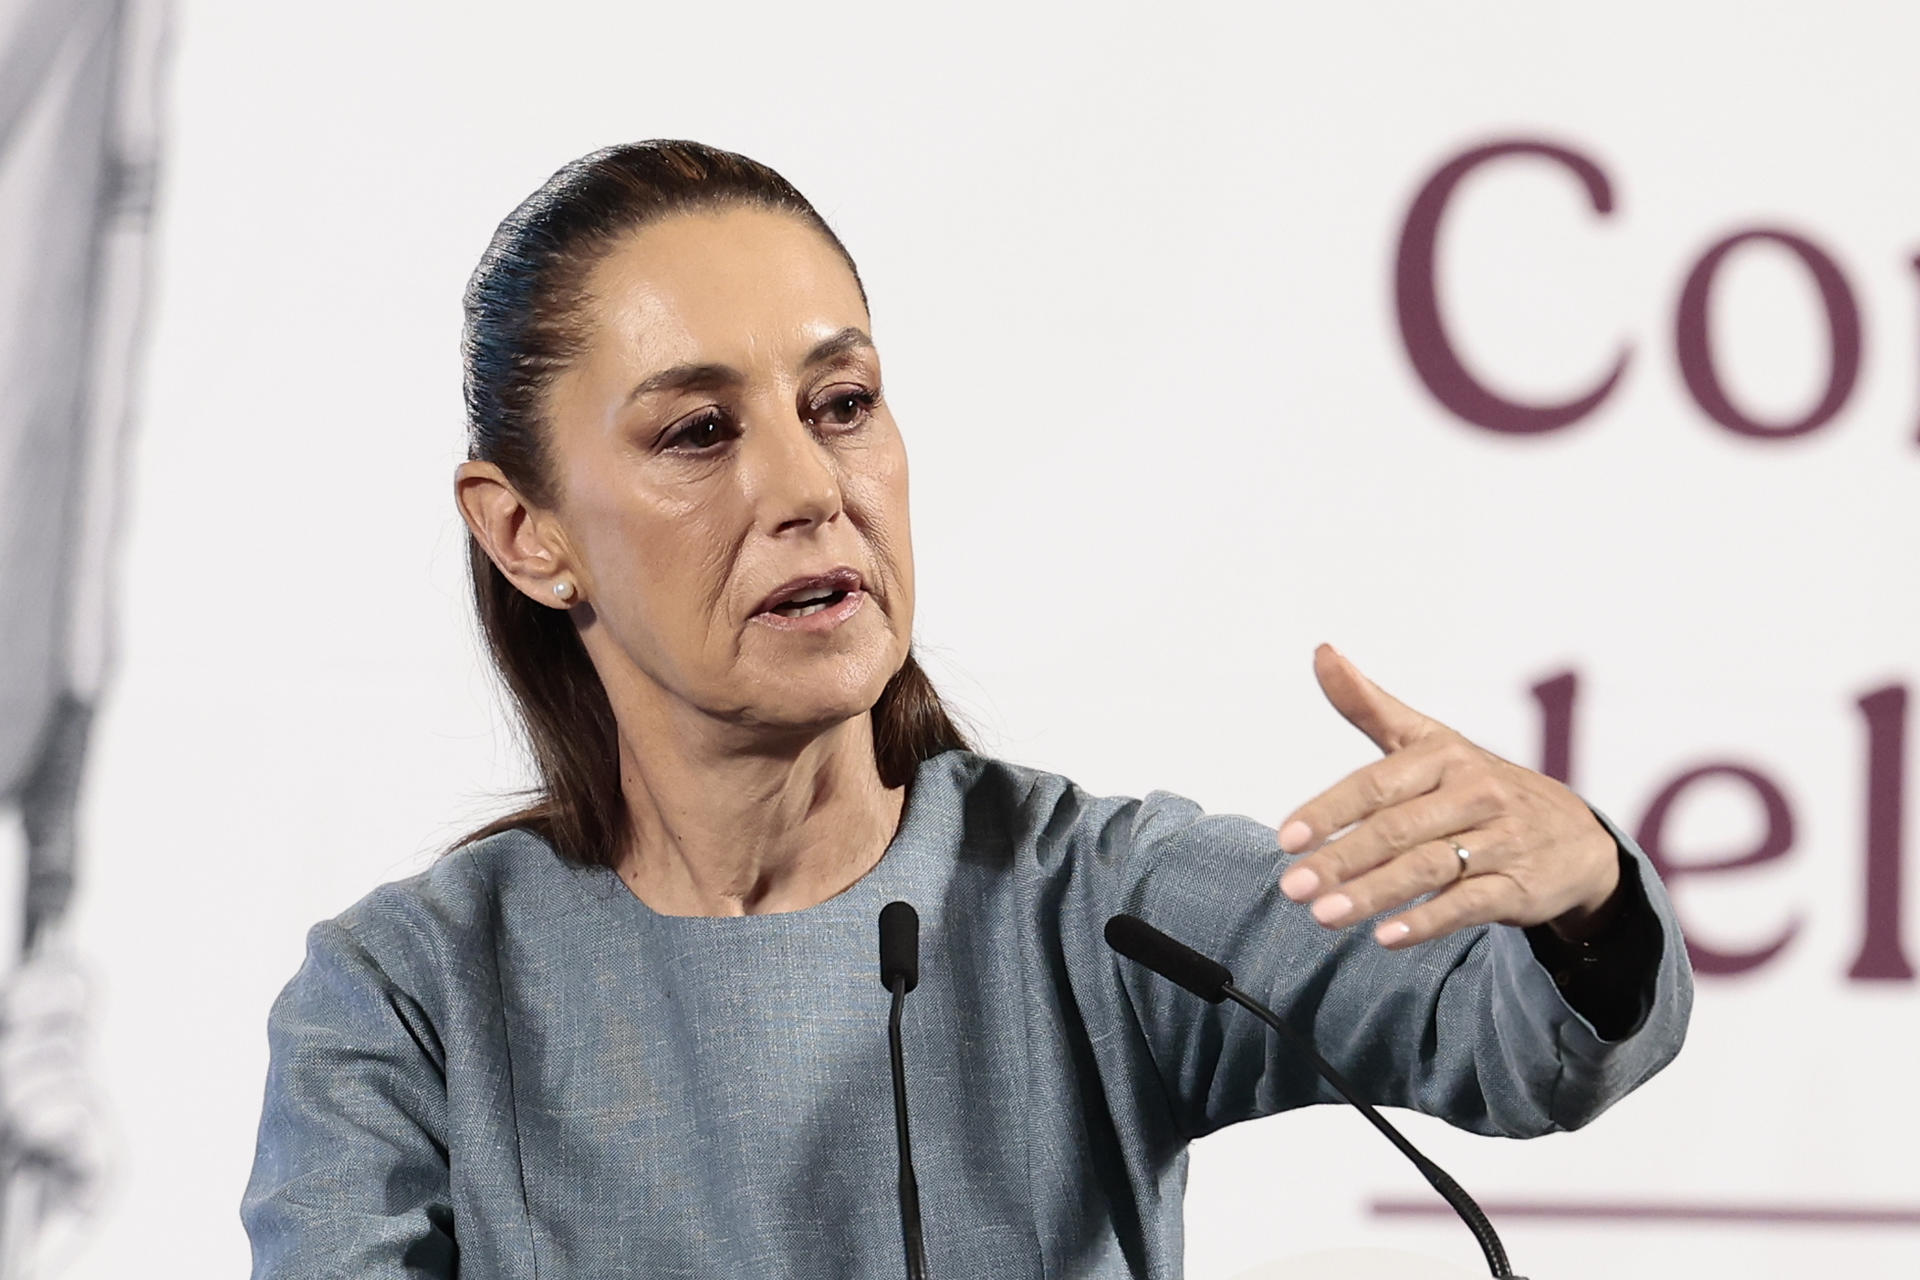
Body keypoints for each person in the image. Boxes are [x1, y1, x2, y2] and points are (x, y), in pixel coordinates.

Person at [240, 140, 1691, 1279]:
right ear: (528, 534)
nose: (811, 491)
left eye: (843, 402)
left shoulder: (1096, 908)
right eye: (699, 432)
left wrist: (1579, 893)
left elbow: (1521, 1045)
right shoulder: (410, 1003)